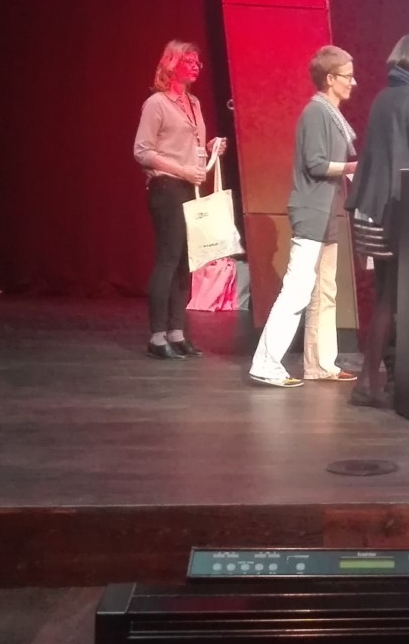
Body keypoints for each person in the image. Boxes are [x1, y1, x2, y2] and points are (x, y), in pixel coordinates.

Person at [248, 45, 361, 387]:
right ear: (329, 79)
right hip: (312, 209)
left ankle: (320, 364)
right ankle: (266, 362)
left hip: (328, 210)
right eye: (347, 76)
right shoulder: (316, 112)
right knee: (297, 290)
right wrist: (353, 167)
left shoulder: (333, 114)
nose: (353, 82)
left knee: (326, 290)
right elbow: (315, 163)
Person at [344, 34, 409, 407]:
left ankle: (374, 379)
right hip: (398, 211)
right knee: (392, 298)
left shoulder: (384, 96)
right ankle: (368, 383)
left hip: (373, 207)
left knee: (387, 296)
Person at [132, 40, 226, 360]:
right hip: (167, 187)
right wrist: (183, 169)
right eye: (189, 61)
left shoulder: (194, 102)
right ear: (171, 64)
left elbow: (188, 143)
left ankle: (177, 332)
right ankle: (157, 337)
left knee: (186, 261)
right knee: (168, 258)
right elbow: (142, 151)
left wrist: (210, 147)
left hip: (189, 188)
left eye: (198, 62)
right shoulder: (156, 104)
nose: (196, 66)